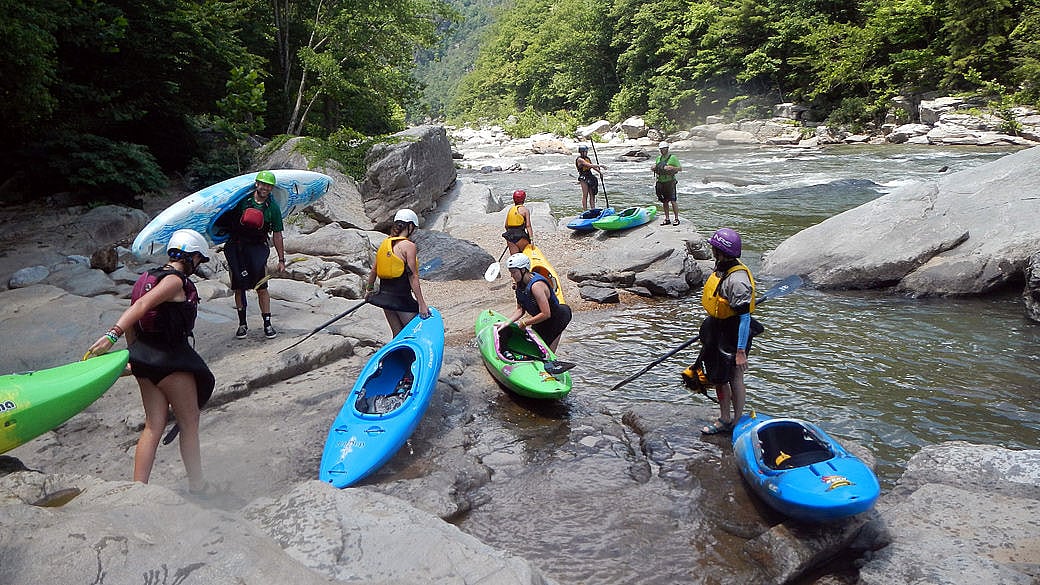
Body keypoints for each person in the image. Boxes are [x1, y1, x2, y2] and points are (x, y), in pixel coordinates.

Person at [85, 229, 215, 494]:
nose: (198, 265)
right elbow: (142, 307)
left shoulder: (147, 277)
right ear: (191, 257)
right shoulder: (174, 282)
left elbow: (135, 312)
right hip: (171, 361)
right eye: (198, 259)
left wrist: (135, 355)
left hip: (145, 360)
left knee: (153, 425)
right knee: (189, 422)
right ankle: (198, 486)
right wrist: (111, 335)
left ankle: (138, 490)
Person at [696, 228, 761, 435]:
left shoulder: (738, 281)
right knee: (719, 377)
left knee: (735, 376)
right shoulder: (723, 268)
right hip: (720, 328)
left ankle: (735, 420)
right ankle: (725, 417)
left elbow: (745, 318)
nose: (712, 250)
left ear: (720, 251)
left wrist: (740, 351)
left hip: (734, 333)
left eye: (714, 248)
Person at [222, 170, 286, 340]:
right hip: (237, 247)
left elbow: (277, 234)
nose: (265, 188)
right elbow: (225, 217)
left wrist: (281, 259)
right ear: (257, 184)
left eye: (269, 186)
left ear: (272, 188)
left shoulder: (273, 208)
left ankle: (267, 323)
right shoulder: (242, 201)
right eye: (263, 184)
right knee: (238, 286)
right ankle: (242, 324)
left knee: (262, 287)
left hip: (257, 249)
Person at [365, 208, 431, 338]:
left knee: (397, 335)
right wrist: (421, 304)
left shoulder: (385, 244)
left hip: (384, 299)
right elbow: (413, 276)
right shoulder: (408, 246)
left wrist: (369, 289)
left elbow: (374, 270)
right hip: (401, 300)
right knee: (414, 335)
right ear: (410, 226)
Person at [503, 253, 572, 354]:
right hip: (541, 321)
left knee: (545, 353)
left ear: (523, 270)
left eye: (514, 272)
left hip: (557, 318)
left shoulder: (537, 286)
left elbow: (546, 314)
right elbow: (520, 310)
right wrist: (506, 323)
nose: (511, 275)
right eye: (511, 272)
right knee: (532, 348)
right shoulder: (520, 285)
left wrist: (525, 323)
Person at [652, 142, 681, 225]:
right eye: (661, 149)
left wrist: (672, 168)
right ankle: (667, 218)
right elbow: (656, 168)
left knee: (673, 201)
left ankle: (676, 218)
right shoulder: (658, 158)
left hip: (670, 182)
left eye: (663, 149)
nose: (662, 151)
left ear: (667, 149)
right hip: (661, 182)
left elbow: (680, 168)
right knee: (664, 201)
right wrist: (653, 168)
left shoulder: (673, 158)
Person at [502, 189, 534, 254]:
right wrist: (531, 239)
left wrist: (511, 235)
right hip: (520, 235)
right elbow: (528, 226)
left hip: (509, 235)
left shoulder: (511, 210)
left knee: (515, 257)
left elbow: (506, 226)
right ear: (523, 199)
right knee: (525, 255)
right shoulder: (525, 210)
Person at [575, 145, 604, 211]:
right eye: (585, 152)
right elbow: (589, 165)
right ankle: (585, 210)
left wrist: (600, 172)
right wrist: (600, 165)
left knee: (592, 194)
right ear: (581, 152)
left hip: (590, 176)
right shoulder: (580, 159)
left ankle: (593, 209)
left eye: (586, 152)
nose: (586, 153)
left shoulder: (587, 158)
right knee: (585, 194)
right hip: (583, 177)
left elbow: (592, 167)